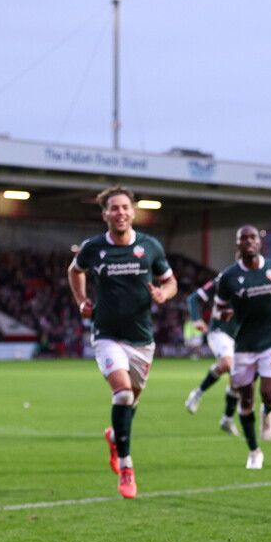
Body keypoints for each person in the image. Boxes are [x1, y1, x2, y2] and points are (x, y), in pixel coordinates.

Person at [67, 186, 177, 499]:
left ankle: (114, 435)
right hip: (106, 335)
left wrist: (163, 293)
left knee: (132, 401)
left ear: (132, 211)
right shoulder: (93, 248)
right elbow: (75, 272)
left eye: (125, 207)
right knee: (124, 395)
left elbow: (170, 281)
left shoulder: (150, 246)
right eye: (114, 208)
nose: (120, 213)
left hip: (142, 339)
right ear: (105, 215)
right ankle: (127, 467)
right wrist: (81, 300)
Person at [214, 225, 271, 469]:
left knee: (269, 394)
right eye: (243, 239)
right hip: (244, 346)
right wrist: (223, 314)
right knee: (245, 400)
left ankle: (268, 412)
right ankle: (254, 451)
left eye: (252, 237)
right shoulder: (228, 277)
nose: (248, 242)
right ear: (237, 245)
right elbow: (217, 308)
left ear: (259, 243)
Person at [183, 275, 241, 436]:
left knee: (237, 379)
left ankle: (227, 420)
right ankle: (198, 394)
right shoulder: (225, 278)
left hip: (242, 335)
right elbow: (193, 298)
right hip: (219, 330)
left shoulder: (260, 281)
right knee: (228, 365)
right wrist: (196, 319)